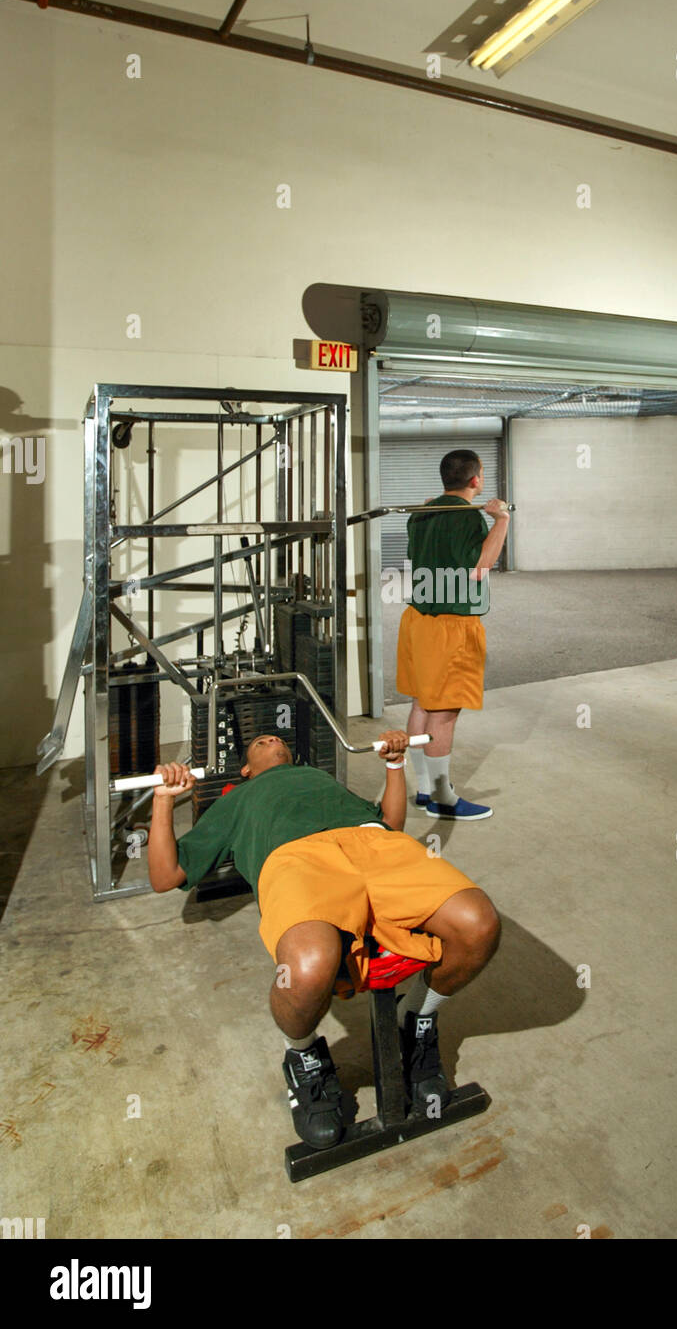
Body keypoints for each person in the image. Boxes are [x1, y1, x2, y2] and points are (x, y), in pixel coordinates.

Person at [147, 731, 500, 1149]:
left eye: (276, 738)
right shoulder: (234, 800)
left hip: (375, 843)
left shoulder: (317, 777)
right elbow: (164, 876)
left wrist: (394, 765)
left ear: (293, 756)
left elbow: (391, 823)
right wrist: (163, 799)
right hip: (296, 859)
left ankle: (418, 1021)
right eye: (259, 742)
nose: (270, 738)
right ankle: (303, 1055)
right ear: (245, 770)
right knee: (309, 967)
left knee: (479, 925)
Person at [397, 449, 510, 822]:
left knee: (421, 703)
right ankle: (443, 799)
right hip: (451, 626)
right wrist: (501, 520)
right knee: (443, 712)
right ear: (476, 480)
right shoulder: (469, 518)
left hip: (417, 621)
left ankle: (425, 789)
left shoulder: (421, 514)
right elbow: (481, 566)